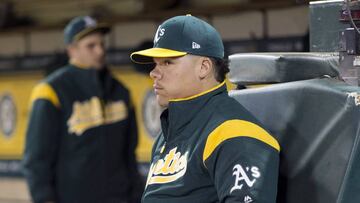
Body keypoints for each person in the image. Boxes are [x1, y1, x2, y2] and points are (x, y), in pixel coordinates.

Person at [130, 15, 280, 203]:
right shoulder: (166, 136)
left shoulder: (235, 134)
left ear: (203, 67)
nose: (154, 73)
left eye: (167, 62)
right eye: (155, 64)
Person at [23, 16, 143, 203]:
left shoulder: (121, 92)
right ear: (72, 50)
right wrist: (44, 198)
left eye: (102, 44)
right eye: (91, 46)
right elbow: (37, 160)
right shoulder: (51, 91)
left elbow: (129, 155)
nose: (100, 51)